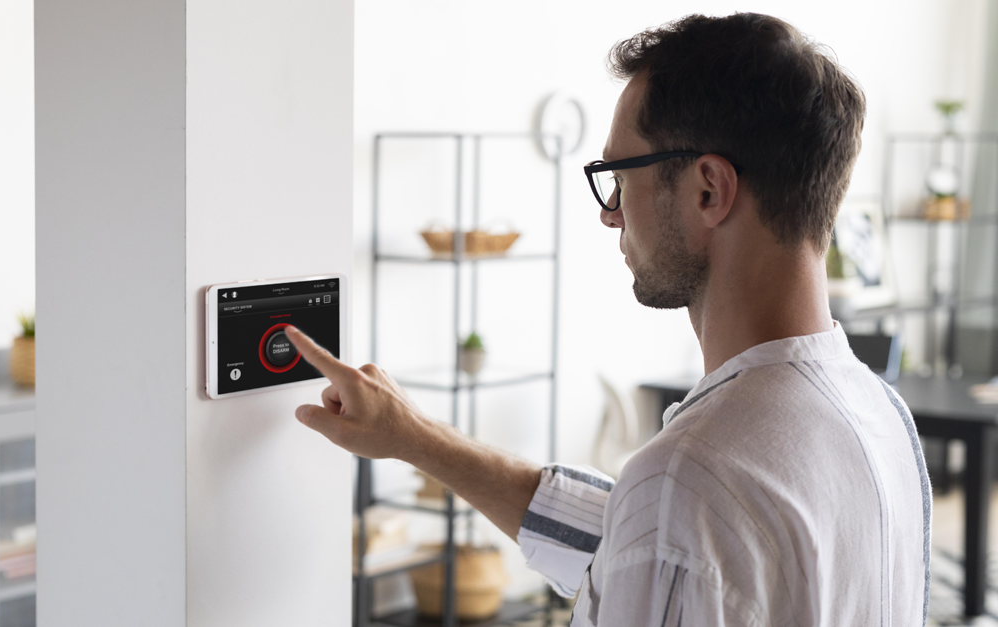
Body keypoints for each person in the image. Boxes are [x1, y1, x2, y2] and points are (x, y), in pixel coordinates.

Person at [286, 12, 930, 627]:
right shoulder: (881, 418)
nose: (610, 212)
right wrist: (415, 437)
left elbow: (668, 531)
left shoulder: (692, 479)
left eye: (619, 175)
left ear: (709, 189)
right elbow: (637, 541)